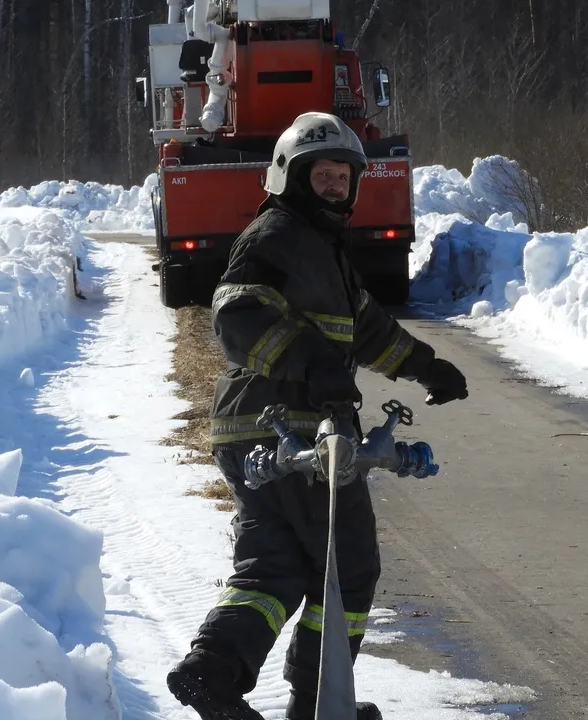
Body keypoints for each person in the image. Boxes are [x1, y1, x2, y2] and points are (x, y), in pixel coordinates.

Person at [167, 112, 469, 720]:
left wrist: (429, 367)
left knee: (271, 569)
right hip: (298, 430)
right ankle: (317, 705)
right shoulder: (275, 237)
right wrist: (314, 368)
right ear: (289, 178)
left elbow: (369, 331)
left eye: (342, 176)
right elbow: (235, 317)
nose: (334, 186)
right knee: (350, 566)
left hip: (256, 430)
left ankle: (213, 672)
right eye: (321, 175)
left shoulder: (323, 250)